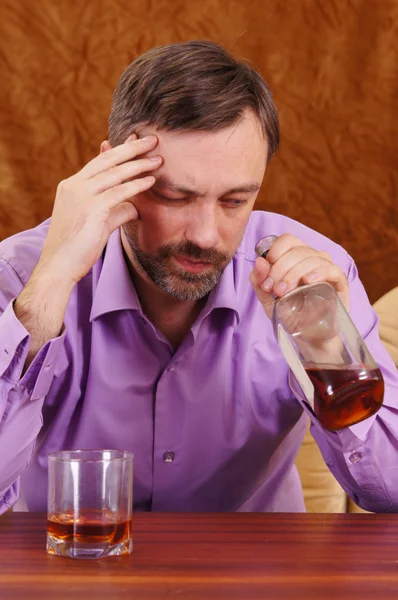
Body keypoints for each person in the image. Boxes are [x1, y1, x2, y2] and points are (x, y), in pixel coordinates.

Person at [0, 41, 397, 515]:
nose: (207, 236)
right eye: (174, 196)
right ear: (111, 172)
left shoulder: (313, 276)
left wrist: (325, 350)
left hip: (256, 584)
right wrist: (49, 288)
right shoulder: (22, 275)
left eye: (234, 201)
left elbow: (389, 493)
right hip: (70, 580)